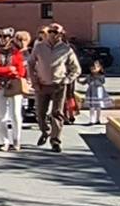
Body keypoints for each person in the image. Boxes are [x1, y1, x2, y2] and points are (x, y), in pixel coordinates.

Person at [26, 23, 80, 152]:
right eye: (50, 31)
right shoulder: (39, 47)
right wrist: (34, 81)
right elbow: (31, 63)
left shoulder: (66, 49)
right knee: (40, 113)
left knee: (57, 113)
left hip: (58, 86)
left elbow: (76, 69)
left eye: (55, 32)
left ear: (61, 34)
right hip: (42, 85)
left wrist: (66, 80)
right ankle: (45, 131)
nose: (52, 34)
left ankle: (55, 140)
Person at [0, 28, 27, 152]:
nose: (3, 39)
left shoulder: (16, 53)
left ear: (10, 38)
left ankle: (17, 140)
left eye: (6, 37)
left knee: (15, 114)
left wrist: (9, 71)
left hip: (13, 85)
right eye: (0, 36)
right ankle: (5, 141)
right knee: (1, 116)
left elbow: (21, 71)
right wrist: (10, 69)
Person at [80, 60, 112, 125]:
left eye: (95, 68)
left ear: (99, 68)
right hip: (91, 92)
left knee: (98, 106)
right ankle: (92, 120)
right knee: (91, 107)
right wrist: (79, 81)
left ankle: (98, 119)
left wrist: (96, 78)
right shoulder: (89, 76)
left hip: (99, 91)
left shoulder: (101, 76)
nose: (93, 70)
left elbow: (103, 82)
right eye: (92, 68)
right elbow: (84, 82)